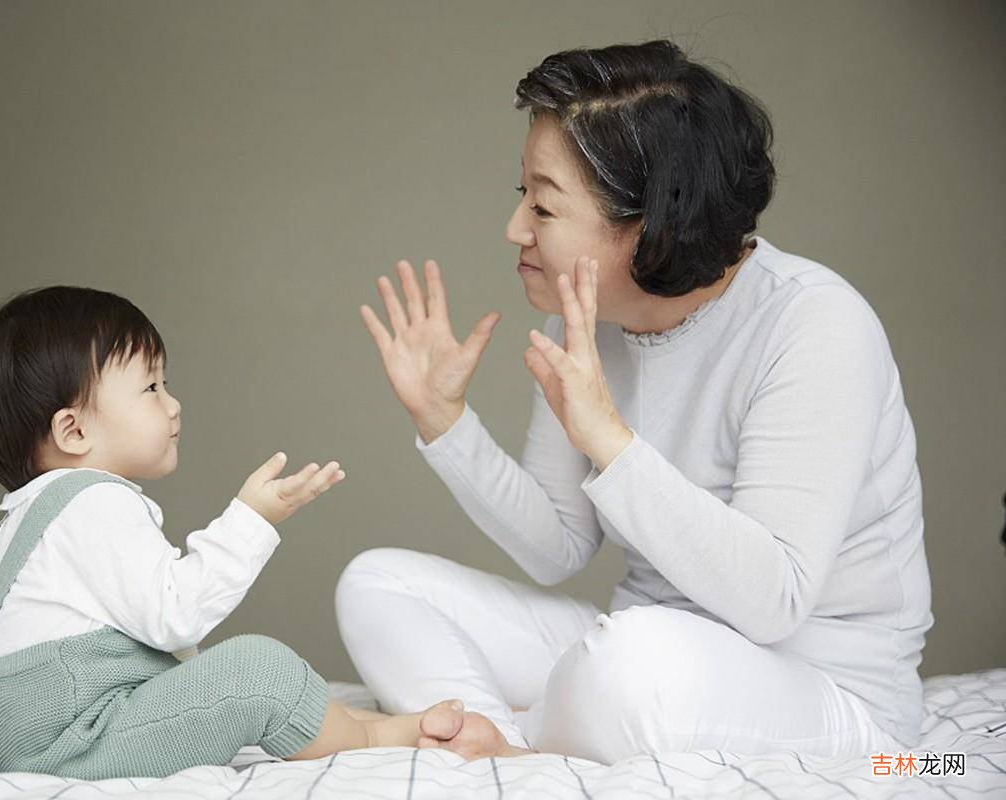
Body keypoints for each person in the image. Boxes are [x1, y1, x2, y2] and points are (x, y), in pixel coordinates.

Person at [340, 40, 933, 764]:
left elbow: (773, 601)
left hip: (823, 687)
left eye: (545, 205)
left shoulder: (813, 324)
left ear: (649, 223)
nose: (516, 229)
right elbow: (558, 545)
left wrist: (610, 439)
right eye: (520, 194)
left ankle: (524, 734)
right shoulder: (584, 318)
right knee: (376, 584)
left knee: (630, 663)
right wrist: (445, 422)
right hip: (645, 644)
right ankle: (493, 745)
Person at [0, 286, 463, 779]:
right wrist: (251, 519)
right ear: (73, 431)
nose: (173, 404)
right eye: (150, 387)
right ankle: (374, 742)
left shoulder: (33, 516)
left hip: (48, 731)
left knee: (215, 675)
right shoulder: (94, 501)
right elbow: (176, 617)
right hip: (74, 738)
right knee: (255, 670)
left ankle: (351, 720)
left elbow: (159, 649)